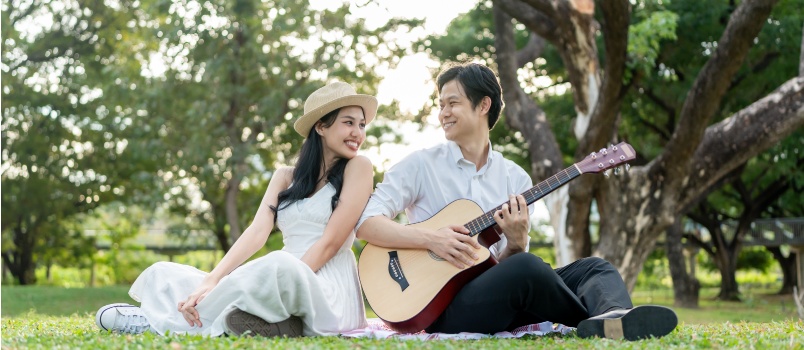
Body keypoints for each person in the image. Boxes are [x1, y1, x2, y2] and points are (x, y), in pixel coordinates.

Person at [356, 63, 678, 341]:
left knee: (594, 267)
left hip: (495, 297)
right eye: (441, 105)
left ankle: (614, 316)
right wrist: (432, 238)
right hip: (441, 306)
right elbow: (366, 223)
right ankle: (595, 323)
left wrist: (516, 242)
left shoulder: (516, 180)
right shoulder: (420, 165)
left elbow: (503, 267)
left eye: (452, 103)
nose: (443, 113)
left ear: (483, 105)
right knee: (528, 267)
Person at [96, 81, 378, 337]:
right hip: (278, 276)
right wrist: (211, 281)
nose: (357, 133)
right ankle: (269, 319)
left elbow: (331, 243)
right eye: (348, 122)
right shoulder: (285, 176)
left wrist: (277, 283)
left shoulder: (359, 167)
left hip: (325, 288)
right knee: (163, 271)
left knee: (277, 265)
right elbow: (257, 232)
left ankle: (157, 321)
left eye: (362, 125)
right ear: (321, 126)